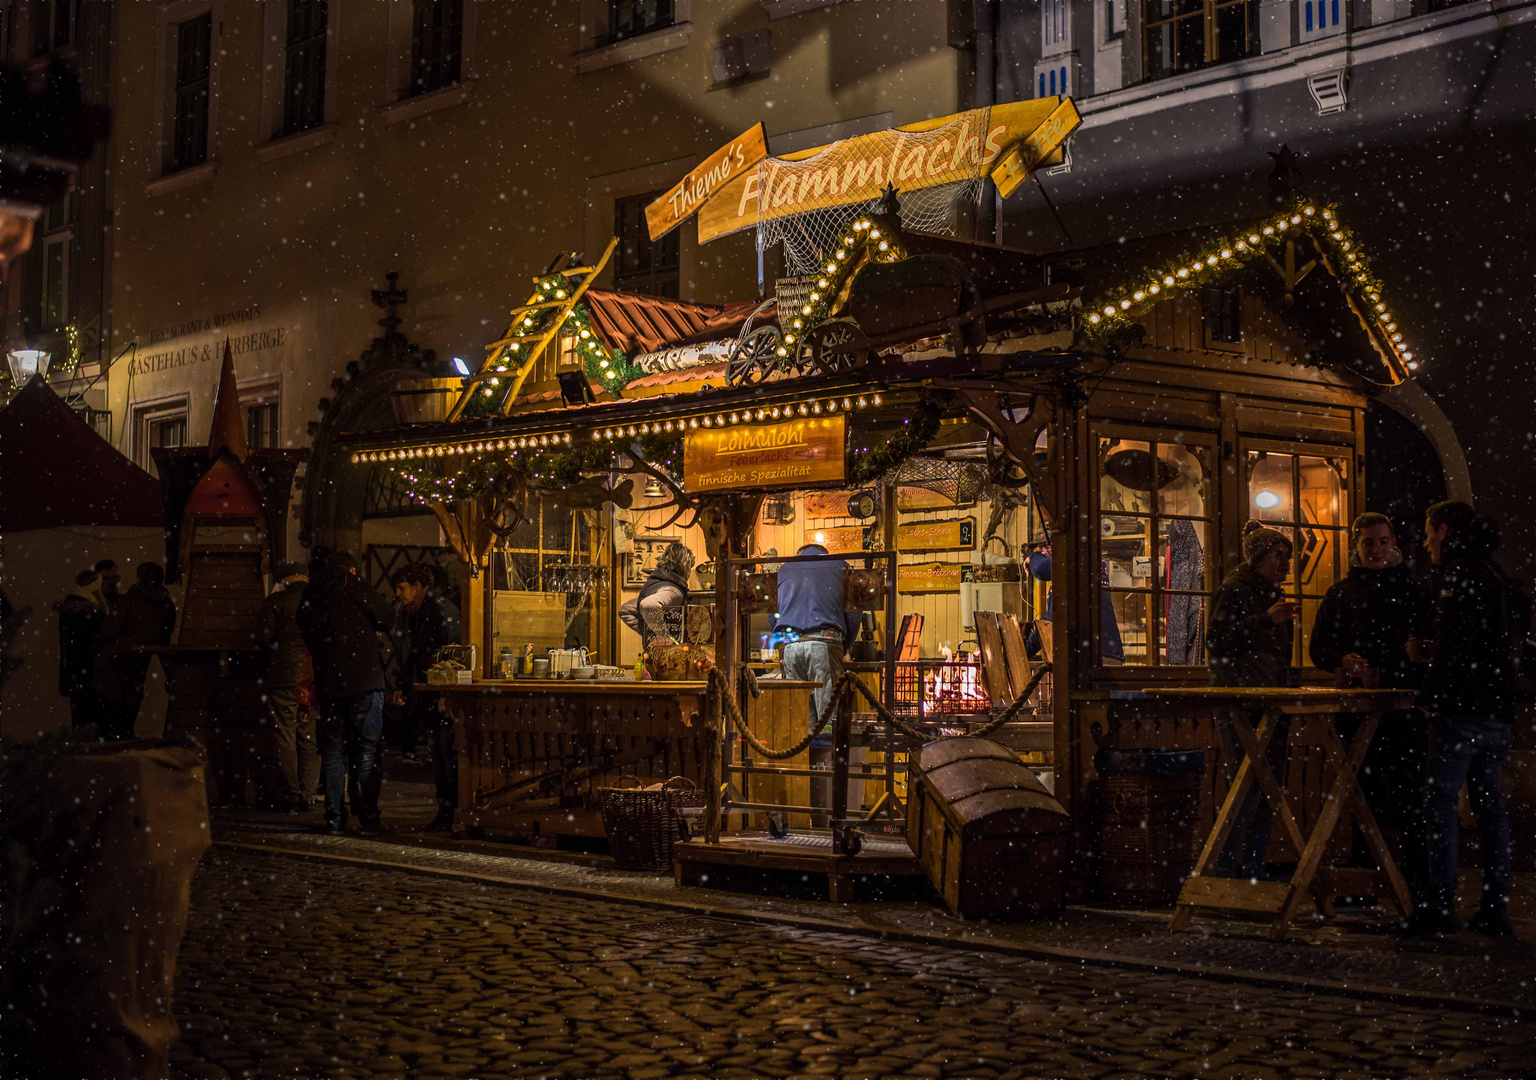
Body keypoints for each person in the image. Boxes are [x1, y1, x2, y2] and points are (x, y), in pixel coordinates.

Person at [1402, 501, 1517, 938]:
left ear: (1445, 530)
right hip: (1496, 708)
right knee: (1490, 809)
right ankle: (1494, 907)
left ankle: (1438, 905)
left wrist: (1430, 696)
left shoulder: (1459, 574)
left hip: (1463, 708)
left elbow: (1455, 643)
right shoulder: (1492, 571)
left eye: (1430, 533)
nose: (1427, 542)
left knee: (1441, 807)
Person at [1309, 512, 1434, 900]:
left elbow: (1428, 643)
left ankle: (1413, 882)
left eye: (1382, 542)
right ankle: (1367, 881)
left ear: (1393, 541)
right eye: (1368, 543)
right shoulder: (1341, 594)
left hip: (1404, 708)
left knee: (1411, 797)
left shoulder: (1414, 590)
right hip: (1359, 708)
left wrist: (1408, 663)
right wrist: (1343, 660)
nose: (1377, 549)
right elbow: (1319, 648)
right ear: (1355, 546)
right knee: (1363, 795)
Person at [1205, 521, 1298, 879]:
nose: (1285, 564)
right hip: (1240, 701)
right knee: (1245, 785)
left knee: (1266, 785)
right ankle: (1231, 869)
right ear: (1258, 557)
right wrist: (1264, 620)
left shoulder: (1269, 592)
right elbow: (1216, 639)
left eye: (1288, 557)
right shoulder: (1235, 590)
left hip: (1268, 699)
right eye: (1278, 555)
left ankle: (1253, 867)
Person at [297, 547, 394, 835]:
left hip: (330, 685)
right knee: (366, 750)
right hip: (364, 681)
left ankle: (334, 819)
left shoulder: (313, 595)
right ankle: (366, 817)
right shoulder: (354, 585)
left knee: (333, 752)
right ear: (351, 570)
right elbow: (387, 617)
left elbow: (304, 629)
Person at [774, 542, 861, 826]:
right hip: (824, 643)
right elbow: (854, 612)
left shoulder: (785, 568)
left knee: (801, 730)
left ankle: (805, 811)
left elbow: (773, 613)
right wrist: (843, 645)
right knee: (829, 727)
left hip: (790, 647)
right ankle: (830, 816)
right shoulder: (840, 567)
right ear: (825, 553)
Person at [390, 564, 462, 830]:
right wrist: (402, 683)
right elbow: (417, 653)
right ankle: (445, 811)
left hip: (440, 695)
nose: (398, 594)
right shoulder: (420, 613)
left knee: (446, 753)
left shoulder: (440, 611)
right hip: (431, 694)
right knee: (439, 753)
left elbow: (453, 654)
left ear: (418, 587)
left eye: (402, 588)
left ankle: (451, 811)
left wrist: (446, 693)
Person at [257, 562, 320, 812]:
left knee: (285, 734)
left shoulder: (276, 601)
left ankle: (292, 793)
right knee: (309, 735)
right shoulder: (319, 600)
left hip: (284, 676)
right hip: (313, 676)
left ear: (285, 580)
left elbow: (262, 637)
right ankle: (310, 793)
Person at [91, 561, 178, 740]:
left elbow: (107, 630)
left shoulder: (130, 599)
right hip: (137, 670)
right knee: (126, 726)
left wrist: (92, 655)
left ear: (140, 577)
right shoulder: (167, 606)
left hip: (112, 668)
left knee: (106, 729)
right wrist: (171, 675)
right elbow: (164, 645)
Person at [1023, 546, 1124, 663]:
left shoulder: (1076, 558)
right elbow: (1050, 620)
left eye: (1045, 547)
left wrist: (1032, 557)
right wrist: (1026, 649)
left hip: (1093, 657)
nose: (1043, 551)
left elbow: (1040, 568)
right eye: (1041, 548)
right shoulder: (1071, 574)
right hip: (1101, 653)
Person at [56, 569, 108, 729]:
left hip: (74, 671)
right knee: (90, 718)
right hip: (88, 671)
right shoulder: (88, 612)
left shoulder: (69, 610)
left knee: (80, 715)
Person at [620, 542, 693, 640]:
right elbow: (648, 605)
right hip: (669, 653)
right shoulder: (674, 591)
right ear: (685, 568)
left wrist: (648, 632)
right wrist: (664, 637)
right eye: (690, 568)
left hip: (652, 652)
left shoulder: (654, 585)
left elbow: (625, 610)